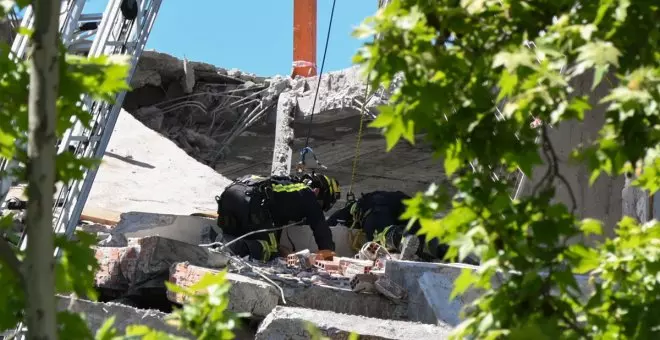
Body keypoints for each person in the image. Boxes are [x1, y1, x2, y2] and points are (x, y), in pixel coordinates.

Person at [212, 172, 340, 262]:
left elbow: (272, 227)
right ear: (320, 192)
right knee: (268, 251)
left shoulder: (288, 190)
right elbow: (320, 227)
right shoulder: (308, 194)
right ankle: (226, 245)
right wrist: (328, 253)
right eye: (322, 204)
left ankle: (215, 239)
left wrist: (283, 251)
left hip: (231, 193)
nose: (319, 207)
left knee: (241, 235)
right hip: (252, 198)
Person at [328, 190, 476, 264]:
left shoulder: (354, 209)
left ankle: (401, 239)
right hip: (405, 202)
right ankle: (465, 260)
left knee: (384, 234)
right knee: (429, 236)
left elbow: (328, 226)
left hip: (376, 208)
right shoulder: (380, 196)